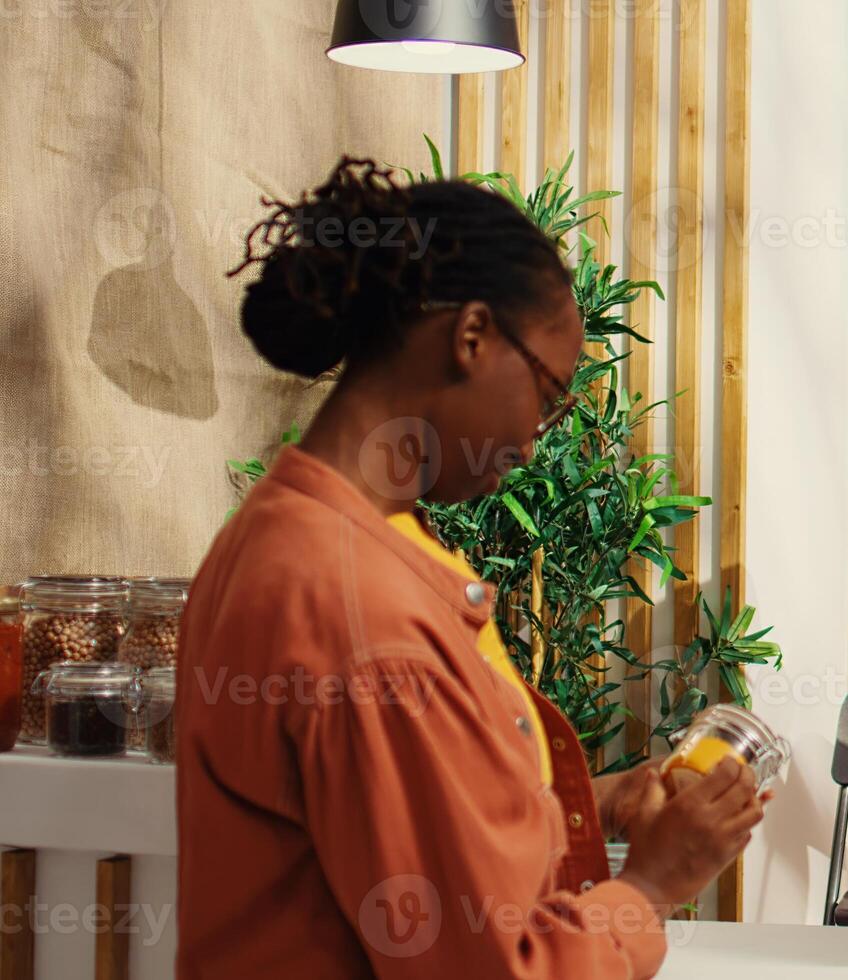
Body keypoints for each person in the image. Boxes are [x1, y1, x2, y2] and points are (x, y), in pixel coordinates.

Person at [175, 159, 763, 978]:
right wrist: (654, 884)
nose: (534, 441)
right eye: (549, 395)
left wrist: (579, 808)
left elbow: (383, 833)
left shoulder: (304, 533)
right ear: (472, 335)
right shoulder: (357, 604)